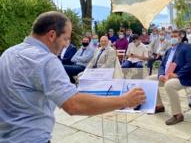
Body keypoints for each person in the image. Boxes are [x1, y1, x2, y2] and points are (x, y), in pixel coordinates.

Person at [0, 11, 146, 142]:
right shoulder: (46, 60)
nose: (65, 44)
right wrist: (124, 100)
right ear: (51, 35)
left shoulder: (8, 53)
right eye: (65, 39)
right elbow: (74, 105)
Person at [147, 29, 191, 125]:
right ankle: (159, 106)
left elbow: (190, 64)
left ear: (180, 37)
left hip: (183, 77)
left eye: (175, 36)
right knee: (149, 80)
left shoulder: (187, 47)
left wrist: (177, 75)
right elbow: (162, 65)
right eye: (172, 37)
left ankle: (178, 114)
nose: (173, 38)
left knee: (169, 85)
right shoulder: (169, 50)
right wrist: (161, 75)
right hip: (167, 76)